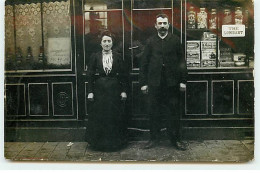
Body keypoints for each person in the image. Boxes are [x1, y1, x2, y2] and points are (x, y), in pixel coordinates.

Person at [139, 14, 188, 150]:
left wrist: (183, 81)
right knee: (153, 112)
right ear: (155, 26)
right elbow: (144, 64)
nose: (162, 26)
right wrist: (143, 83)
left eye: (164, 23)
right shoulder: (150, 41)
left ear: (168, 25)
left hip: (172, 84)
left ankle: (176, 140)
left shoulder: (175, 40)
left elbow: (182, 62)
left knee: (173, 112)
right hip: (154, 84)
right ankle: (153, 139)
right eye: (159, 23)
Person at [86, 30, 128, 151]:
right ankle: (99, 143)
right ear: (100, 43)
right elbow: (90, 75)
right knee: (100, 116)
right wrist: (90, 91)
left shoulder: (118, 56)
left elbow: (124, 75)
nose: (107, 43)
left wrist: (124, 90)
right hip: (99, 90)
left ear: (112, 43)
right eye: (104, 41)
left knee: (113, 116)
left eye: (109, 41)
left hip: (114, 90)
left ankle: (115, 143)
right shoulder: (95, 56)